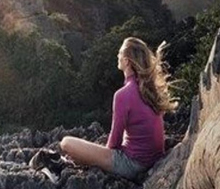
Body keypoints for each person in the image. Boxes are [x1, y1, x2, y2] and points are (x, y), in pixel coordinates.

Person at [60, 37, 176, 180]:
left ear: (127, 61)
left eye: (120, 53)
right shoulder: (150, 90)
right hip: (154, 159)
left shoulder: (123, 95)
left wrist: (98, 156)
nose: (117, 55)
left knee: (66, 143)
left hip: (133, 165)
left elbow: (114, 142)